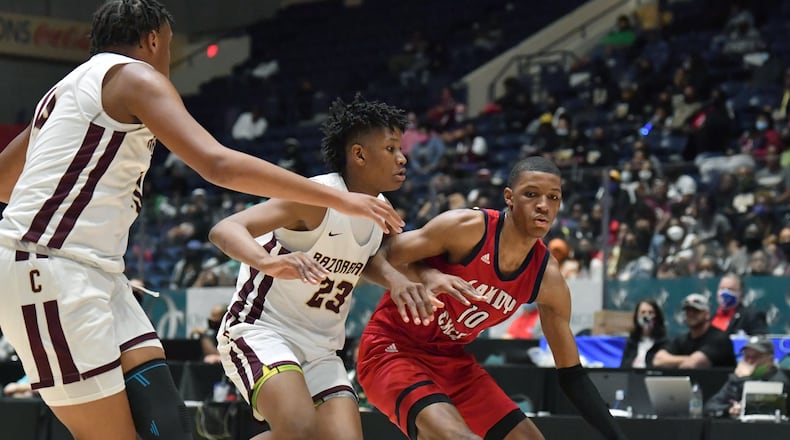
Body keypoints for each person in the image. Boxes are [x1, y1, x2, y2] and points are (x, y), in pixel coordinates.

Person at [0, 2, 402, 440]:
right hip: (49, 268)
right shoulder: (135, 76)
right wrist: (335, 198)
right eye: (168, 47)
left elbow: (5, 184)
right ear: (153, 40)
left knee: (171, 428)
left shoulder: (62, 91)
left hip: (96, 272)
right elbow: (217, 164)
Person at [210, 94, 437, 440]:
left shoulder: (379, 209)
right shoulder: (314, 197)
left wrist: (395, 281)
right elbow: (224, 229)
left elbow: (365, 257)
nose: (402, 157)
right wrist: (269, 262)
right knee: (299, 430)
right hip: (263, 330)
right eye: (391, 148)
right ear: (359, 155)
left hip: (321, 347)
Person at [357, 156, 627, 440]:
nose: (543, 206)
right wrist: (428, 276)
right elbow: (377, 255)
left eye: (553, 197)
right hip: (392, 348)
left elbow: (572, 375)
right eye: (531, 194)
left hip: (452, 361)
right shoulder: (467, 228)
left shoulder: (547, 278)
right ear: (509, 197)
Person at [704, 335, 790, 418]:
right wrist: (729, 409)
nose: (749, 361)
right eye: (746, 356)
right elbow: (709, 407)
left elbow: (757, 409)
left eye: (755, 357)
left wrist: (745, 379)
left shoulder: (779, 381)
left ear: (770, 360)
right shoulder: (737, 378)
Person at [653, 293, 736, 369]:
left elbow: (692, 365)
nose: (691, 314)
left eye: (696, 311)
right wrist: (688, 358)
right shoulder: (681, 339)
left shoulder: (720, 339)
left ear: (707, 314)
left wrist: (672, 361)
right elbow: (658, 360)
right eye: (688, 311)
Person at [619, 299, 668, 368]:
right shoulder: (631, 342)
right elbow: (623, 367)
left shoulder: (664, 342)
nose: (646, 316)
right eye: (643, 312)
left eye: (650, 313)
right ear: (637, 316)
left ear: (657, 317)